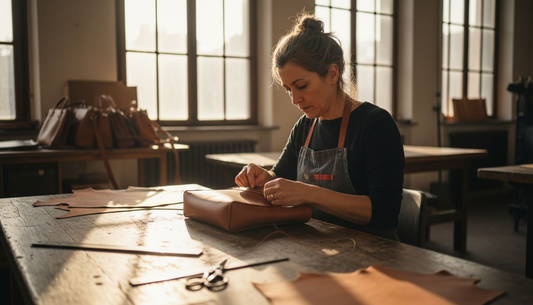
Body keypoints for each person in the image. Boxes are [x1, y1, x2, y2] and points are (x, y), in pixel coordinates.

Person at [235, 13, 405, 240]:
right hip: (316, 245)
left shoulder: (376, 124)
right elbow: (279, 175)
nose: (295, 99)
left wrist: (308, 193)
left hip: (373, 254)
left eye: (301, 86)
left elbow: (385, 213)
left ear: (332, 74)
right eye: (288, 89)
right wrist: (262, 178)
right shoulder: (305, 127)